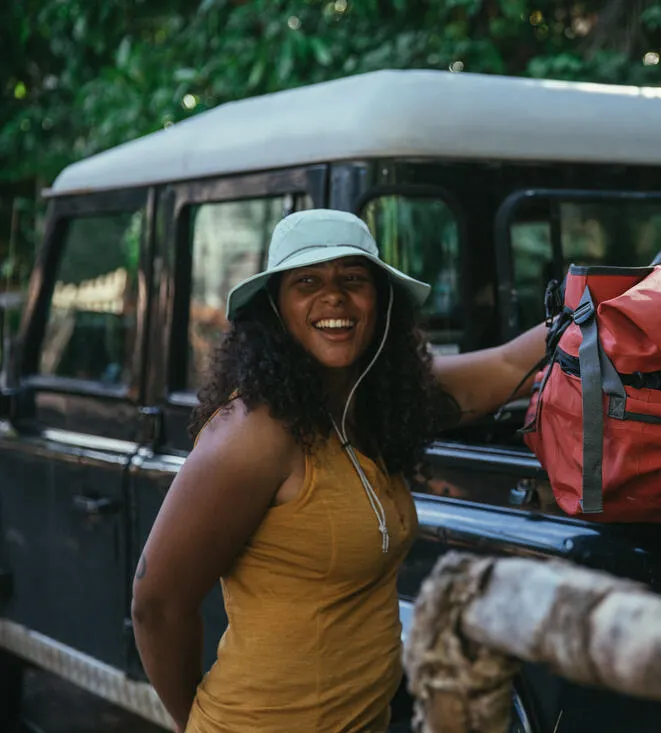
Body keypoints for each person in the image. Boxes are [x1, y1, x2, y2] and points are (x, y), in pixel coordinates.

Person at [130, 208, 547, 732]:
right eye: (308, 281)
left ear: (380, 301)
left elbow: (511, 367)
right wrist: (198, 722)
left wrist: (612, 302)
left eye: (354, 279)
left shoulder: (369, 403)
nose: (335, 297)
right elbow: (156, 604)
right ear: (276, 308)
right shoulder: (251, 433)